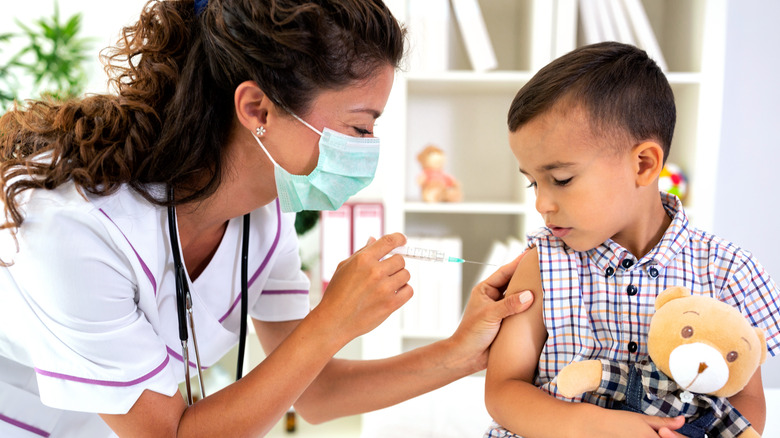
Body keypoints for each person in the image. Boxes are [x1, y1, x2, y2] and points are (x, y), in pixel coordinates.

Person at [0, 1, 535, 436]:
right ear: (257, 109)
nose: (369, 151)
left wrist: (462, 354)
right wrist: (332, 321)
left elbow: (317, 394)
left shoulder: (265, 219)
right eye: (360, 128)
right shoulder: (75, 225)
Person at [483, 42, 780, 438]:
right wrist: (595, 426)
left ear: (644, 164)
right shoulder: (543, 264)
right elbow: (503, 392)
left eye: (562, 179)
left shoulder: (727, 270)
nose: (541, 203)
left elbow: (745, 397)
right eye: (533, 182)